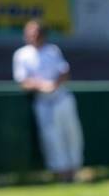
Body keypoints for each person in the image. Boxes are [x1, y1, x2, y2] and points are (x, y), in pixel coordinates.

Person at [12, 19, 84, 182]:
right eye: (30, 33)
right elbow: (23, 81)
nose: (33, 36)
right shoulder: (21, 55)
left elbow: (64, 72)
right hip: (43, 102)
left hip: (62, 98)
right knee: (51, 137)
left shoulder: (53, 50)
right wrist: (42, 86)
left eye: (37, 32)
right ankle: (60, 174)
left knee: (71, 134)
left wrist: (54, 85)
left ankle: (74, 171)